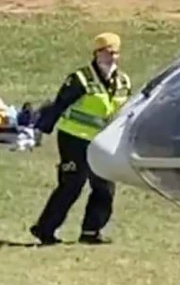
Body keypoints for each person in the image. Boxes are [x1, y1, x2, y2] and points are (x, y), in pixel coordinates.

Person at [29, 33, 131, 246]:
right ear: (96, 53)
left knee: (104, 185)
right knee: (72, 184)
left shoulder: (123, 81)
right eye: (106, 52)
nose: (111, 57)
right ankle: (45, 229)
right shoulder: (81, 79)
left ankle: (91, 231)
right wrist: (40, 130)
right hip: (74, 138)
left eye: (115, 53)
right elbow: (59, 105)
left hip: (103, 141)